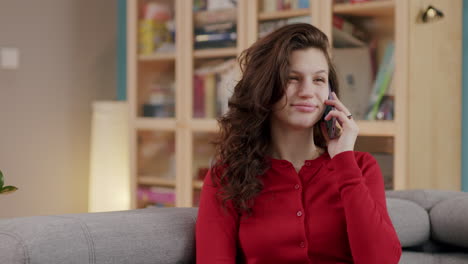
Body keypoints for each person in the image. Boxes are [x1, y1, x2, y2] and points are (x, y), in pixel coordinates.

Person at [195, 23, 402, 264]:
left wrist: (344, 160)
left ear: (331, 94)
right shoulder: (226, 177)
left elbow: (382, 260)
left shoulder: (360, 167)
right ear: (265, 88)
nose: (307, 91)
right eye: (292, 78)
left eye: (318, 79)